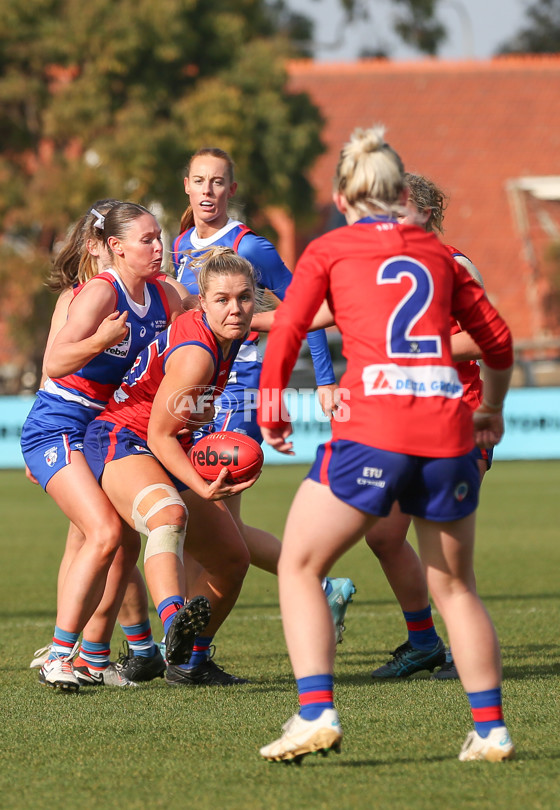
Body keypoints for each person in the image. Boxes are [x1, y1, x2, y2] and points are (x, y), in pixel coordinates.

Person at [257, 126, 515, 764]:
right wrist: (491, 408)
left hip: (374, 429)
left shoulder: (332, 248)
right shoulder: (441, 256)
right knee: (457, 586)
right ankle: (491, 730)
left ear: (343, 198)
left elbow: (289, 327)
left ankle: (316, 711)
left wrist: (272, 409)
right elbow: (500, 342)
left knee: (299, 565)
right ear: (400, 191)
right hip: (447, 431)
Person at [173, 146, 356, 641]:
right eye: (200, 181)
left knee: (212, 517)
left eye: (218, 182)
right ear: (186, 187)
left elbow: (303, 310)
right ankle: (321, 588)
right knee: (205, 522)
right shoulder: (179, 244)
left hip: (240, 390)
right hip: (199, 388)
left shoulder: (250, 248)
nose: (208, 191)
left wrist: (324, 379)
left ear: (232, 190)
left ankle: (191, 647)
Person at [21, 201, 185, 691]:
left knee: (119, 541)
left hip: (104, 429)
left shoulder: (163, 294)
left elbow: (209, 317)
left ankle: (95, 656)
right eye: (148, 240)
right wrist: (101, 339)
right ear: (114, 247)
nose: (159, 247)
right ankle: (59, 654)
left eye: (160, 238)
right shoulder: (98, 293)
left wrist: (301, 318)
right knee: (103, 534)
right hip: (58, 424)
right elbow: (54, 361)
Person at [84, 247, 259, 686]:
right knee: (169, 516)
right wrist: (201, 488)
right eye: (222, 299)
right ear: (204, 302)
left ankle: (190, 661)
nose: (234, 308)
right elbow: (159, 434)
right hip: (121, 439)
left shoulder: (229, 332)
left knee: (232, 559)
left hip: (166, 442)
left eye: (244, 297)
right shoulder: (198, 353)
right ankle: (172, 623)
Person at [368, 172, 491, 681]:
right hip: (406, 426)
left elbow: (485, 338)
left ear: (424, 215)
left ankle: (473, 662)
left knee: (444, 561)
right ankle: (423, 643)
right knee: (383, 534)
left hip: (459, 422)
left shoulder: (455, 266)